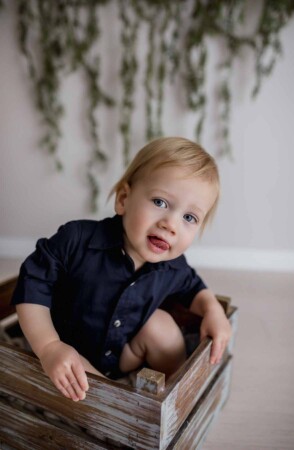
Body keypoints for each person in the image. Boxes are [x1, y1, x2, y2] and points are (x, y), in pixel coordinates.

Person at [11, 136, 231, 402]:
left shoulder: (172, 267)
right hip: (67, 352)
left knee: (161, 325)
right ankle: (113, 408)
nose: (171, 224)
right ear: (124, 199)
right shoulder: (77, 240)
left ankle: (173, 398)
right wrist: (49, 346)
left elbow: (194, 288)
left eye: (189, 217)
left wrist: (212, 309)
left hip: (122, 355)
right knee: (76, 366)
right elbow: (33, 282)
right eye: (160, 202)